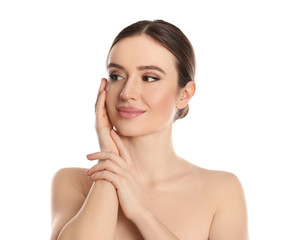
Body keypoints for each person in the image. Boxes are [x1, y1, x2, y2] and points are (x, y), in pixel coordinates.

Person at [50, 20, 248, 240]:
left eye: (149, 78)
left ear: (184, 94)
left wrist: (141, 214)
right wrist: (110, 165)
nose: (126, 93)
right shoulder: (73, 182)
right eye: (117, 76)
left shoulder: (221, 191)